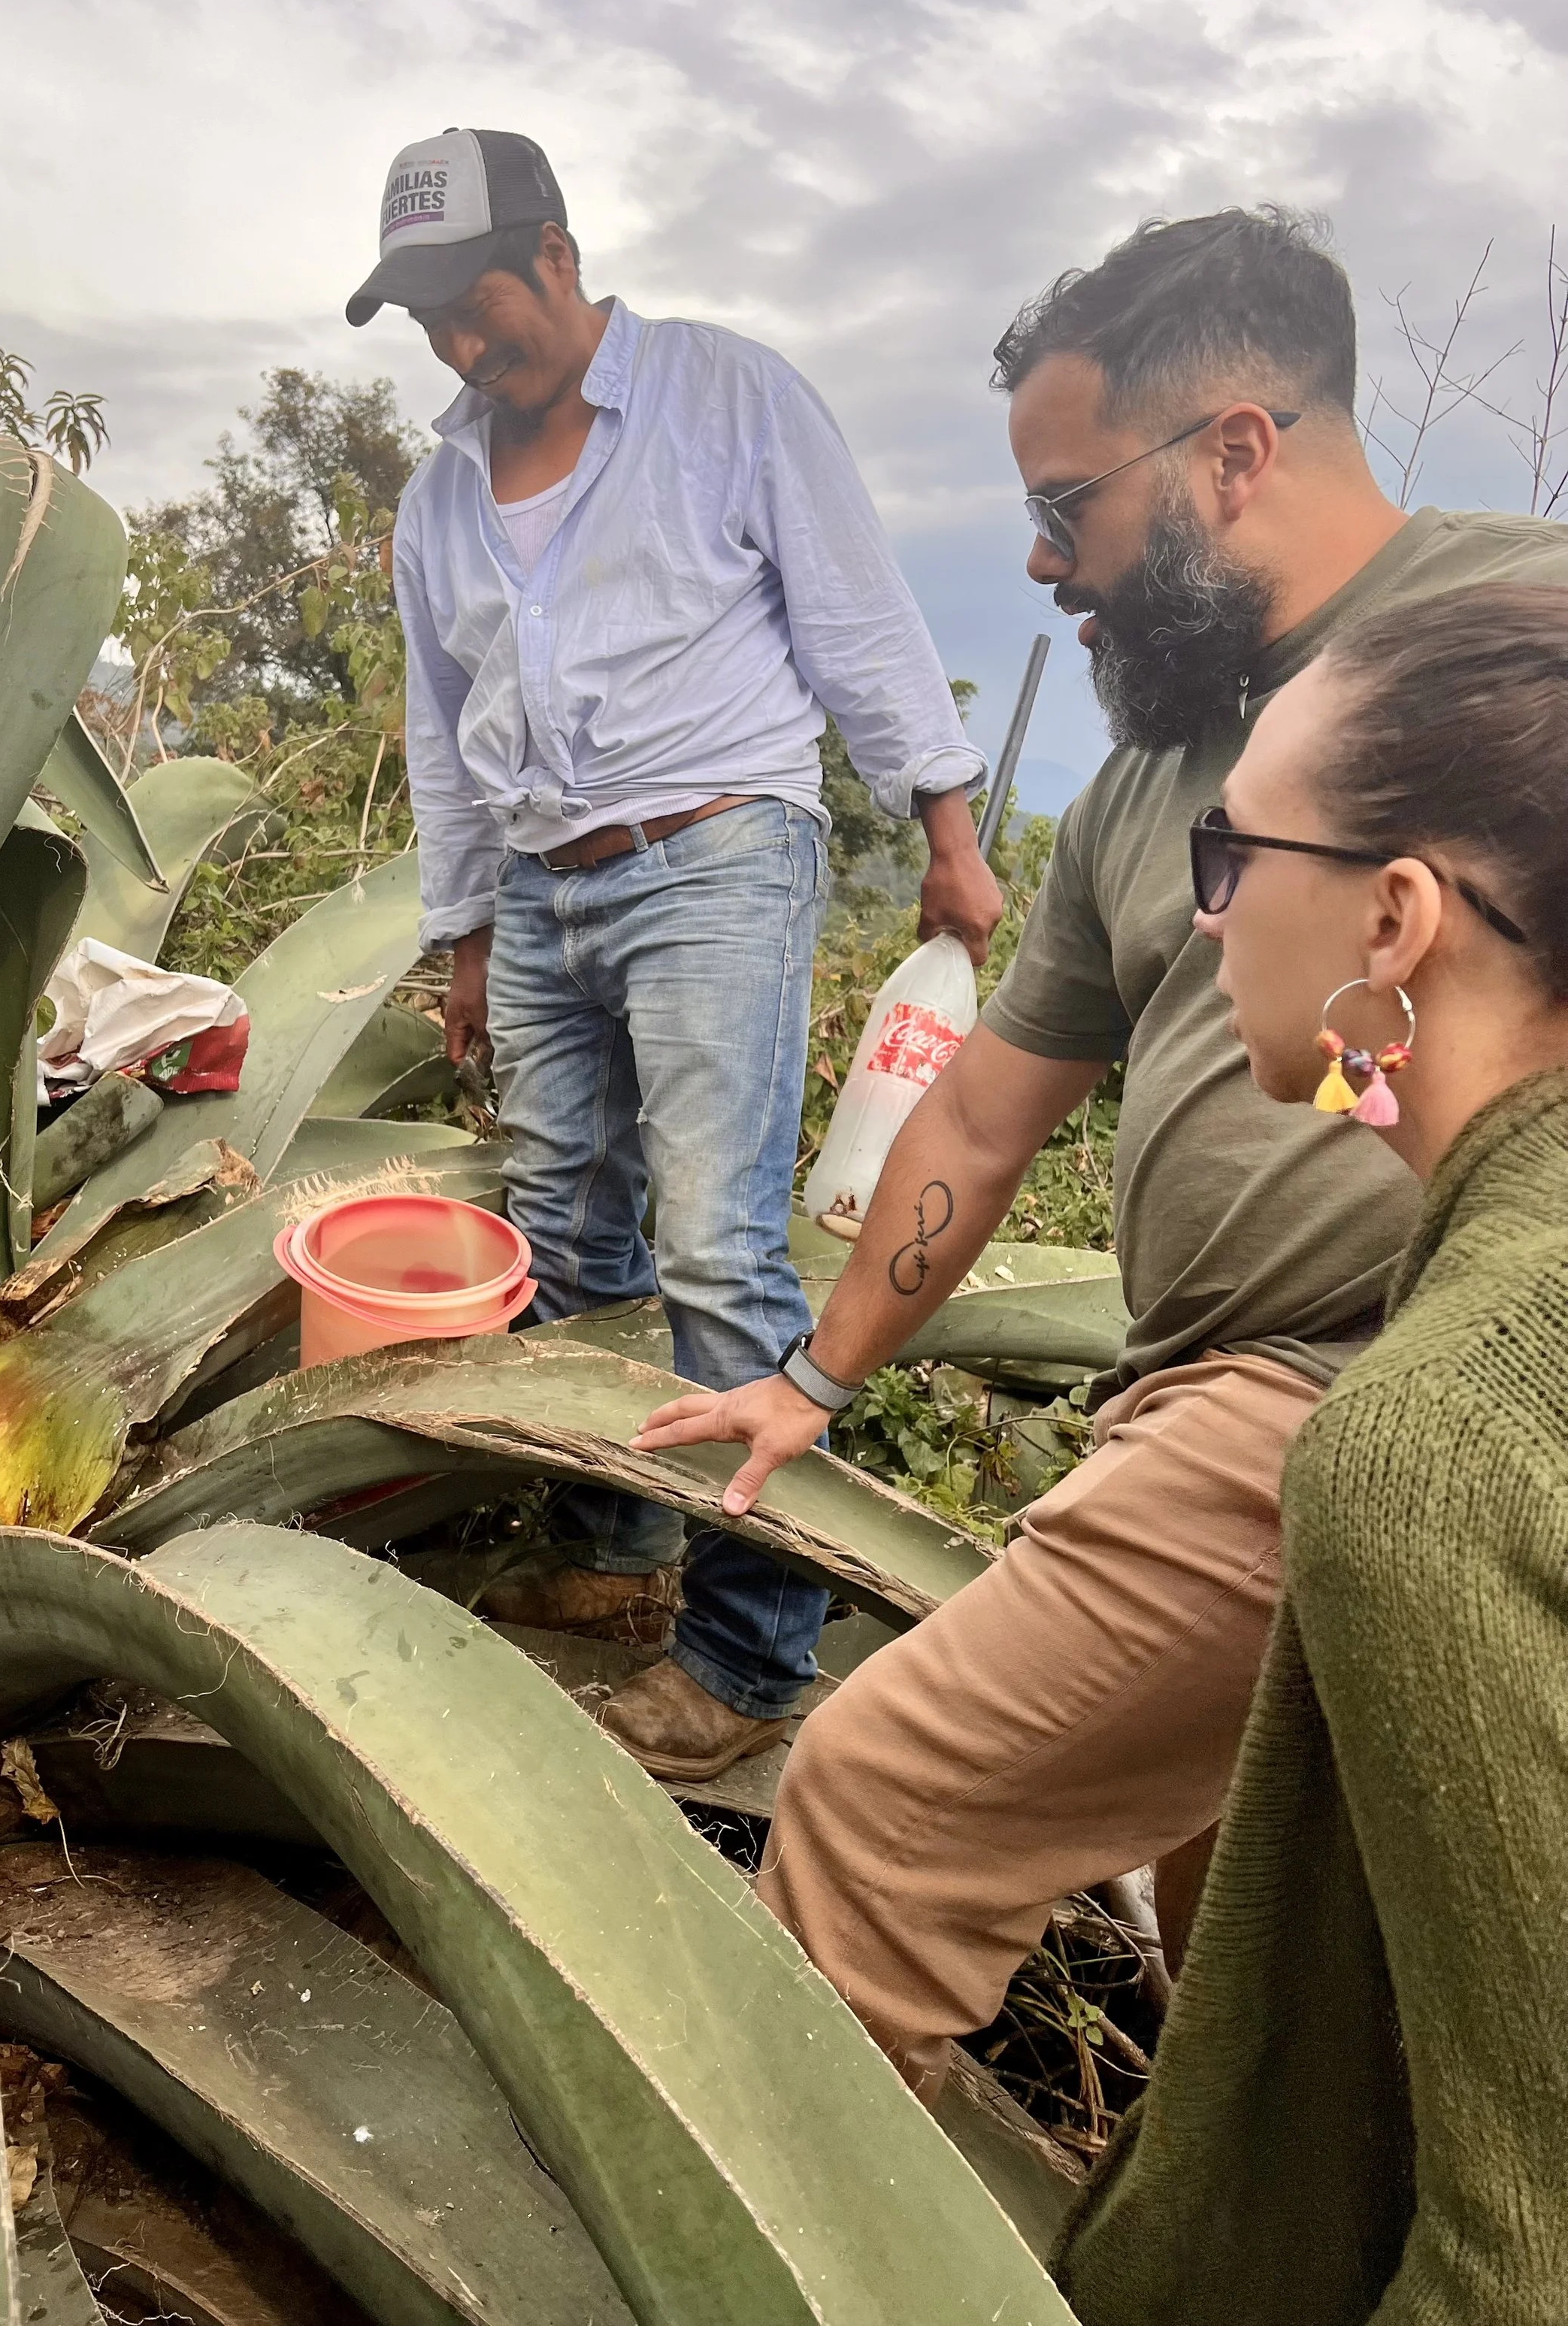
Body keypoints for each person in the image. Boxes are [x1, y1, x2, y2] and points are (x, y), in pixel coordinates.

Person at [633, 206, 1568, 2096]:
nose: (1046, 562)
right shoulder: (1154, 773)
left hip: (1362, 1399)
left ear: (1231, 449)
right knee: (1262, 1992)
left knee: (881, 1805)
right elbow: (984, 1107)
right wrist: (815, 1375)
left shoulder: (1514, 632)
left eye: (1071, 504)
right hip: (1193, 1406)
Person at [348, 126, 1003, 1781]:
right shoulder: (438, 497)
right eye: (423, 316)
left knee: (713, 1249)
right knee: (569, 1232)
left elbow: (855, 614)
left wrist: (946, 833)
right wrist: (464, 936)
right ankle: (616, 1551)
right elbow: (443, 728)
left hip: (713, 854)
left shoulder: (724, 398)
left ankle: (743, 1654)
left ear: (558, 254)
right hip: (540, 881)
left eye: (472, 296)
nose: (456, 342)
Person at [1056, 580, 1568, 2324]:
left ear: (1393, 916)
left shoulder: (1426, 1453)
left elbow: (1524, 2261)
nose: (1206, 926)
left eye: (1233, 860)